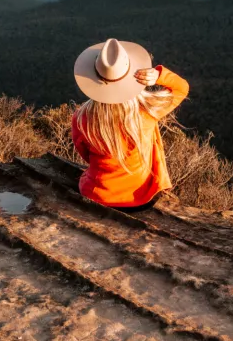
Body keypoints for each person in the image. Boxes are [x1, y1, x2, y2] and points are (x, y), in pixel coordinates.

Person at [71, 38, 189, 212]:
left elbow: (85, 154)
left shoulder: (81, 117)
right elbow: (182, 88)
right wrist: (158, 76)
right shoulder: (148, 111)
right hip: (140, 198)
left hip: (96, 195)